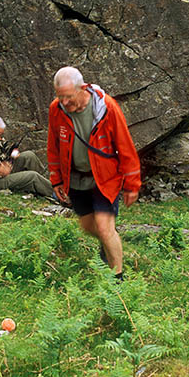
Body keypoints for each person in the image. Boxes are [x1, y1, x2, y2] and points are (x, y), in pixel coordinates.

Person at [47, 66, 141, 280]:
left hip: (105, 179)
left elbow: (125, 146)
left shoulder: (107, 107)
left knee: (104, 227)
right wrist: (56, 179)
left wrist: (132, 184)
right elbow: (53, 145)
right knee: (89, 225)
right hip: (76, 180)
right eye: (60, 97)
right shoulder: (56, 109)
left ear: (82, 89)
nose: (64, 102)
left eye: (69, 97)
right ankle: (107, 244)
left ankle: (117, 279)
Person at [0, 115, 54, 198]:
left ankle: (45, 186)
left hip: (5, 171)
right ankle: (57, 194)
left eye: (1, 135)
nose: (0, 138)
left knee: (29, 155)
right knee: (32, 176)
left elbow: (5, 147)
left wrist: (12, 152)